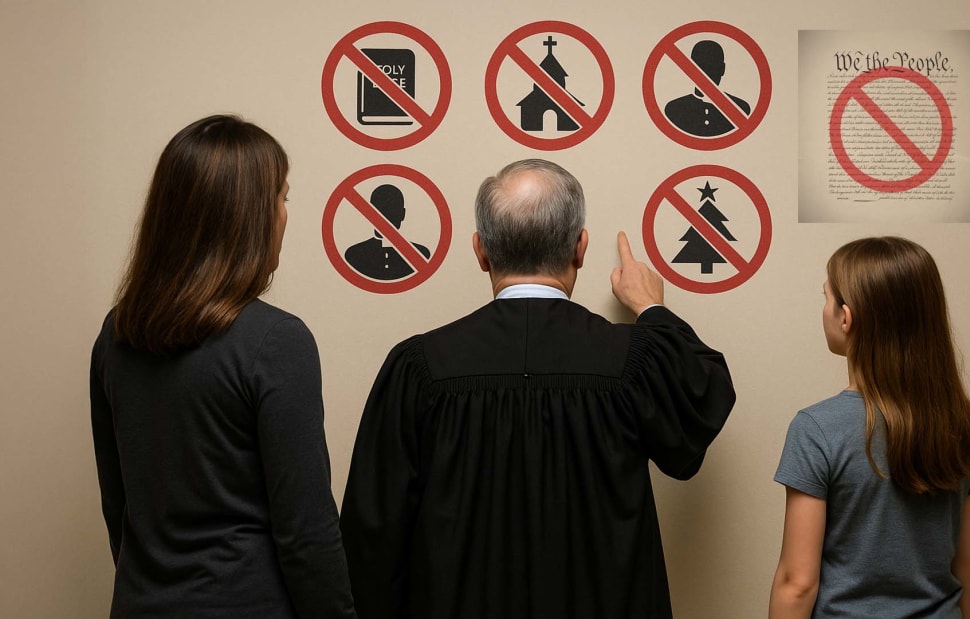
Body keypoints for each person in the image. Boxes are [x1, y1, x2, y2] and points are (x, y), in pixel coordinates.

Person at [340, 159, 735, 619]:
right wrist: (651, 310)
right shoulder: (631, 362)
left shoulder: (419, 368)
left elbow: (370, 540)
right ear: (580, 247)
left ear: (480, 250)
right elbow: (701, 400)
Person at [90, 115, 356, 618]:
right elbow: (306, 531)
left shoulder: (117, 333)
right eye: (281, 198)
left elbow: (118, 506)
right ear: (247, 217)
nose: (284, 214)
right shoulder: (277, 340)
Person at [770, 237, 970, 618]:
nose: (824, 309)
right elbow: (968, 570)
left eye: (827, 297)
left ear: (846, 317)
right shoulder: (962, 424)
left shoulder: (817, 429)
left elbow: (797, 582)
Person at [663, 40, 752, 137]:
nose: (706, 72)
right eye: (701, 66)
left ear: (722, 69)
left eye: (712, 66)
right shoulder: (674, 109)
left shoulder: (742, 108)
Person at [344, 183, 432, 281]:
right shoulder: (354, 255)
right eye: (382, 210)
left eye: (393, 209)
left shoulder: (422, 254)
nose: (388, 215)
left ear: (402, 214)